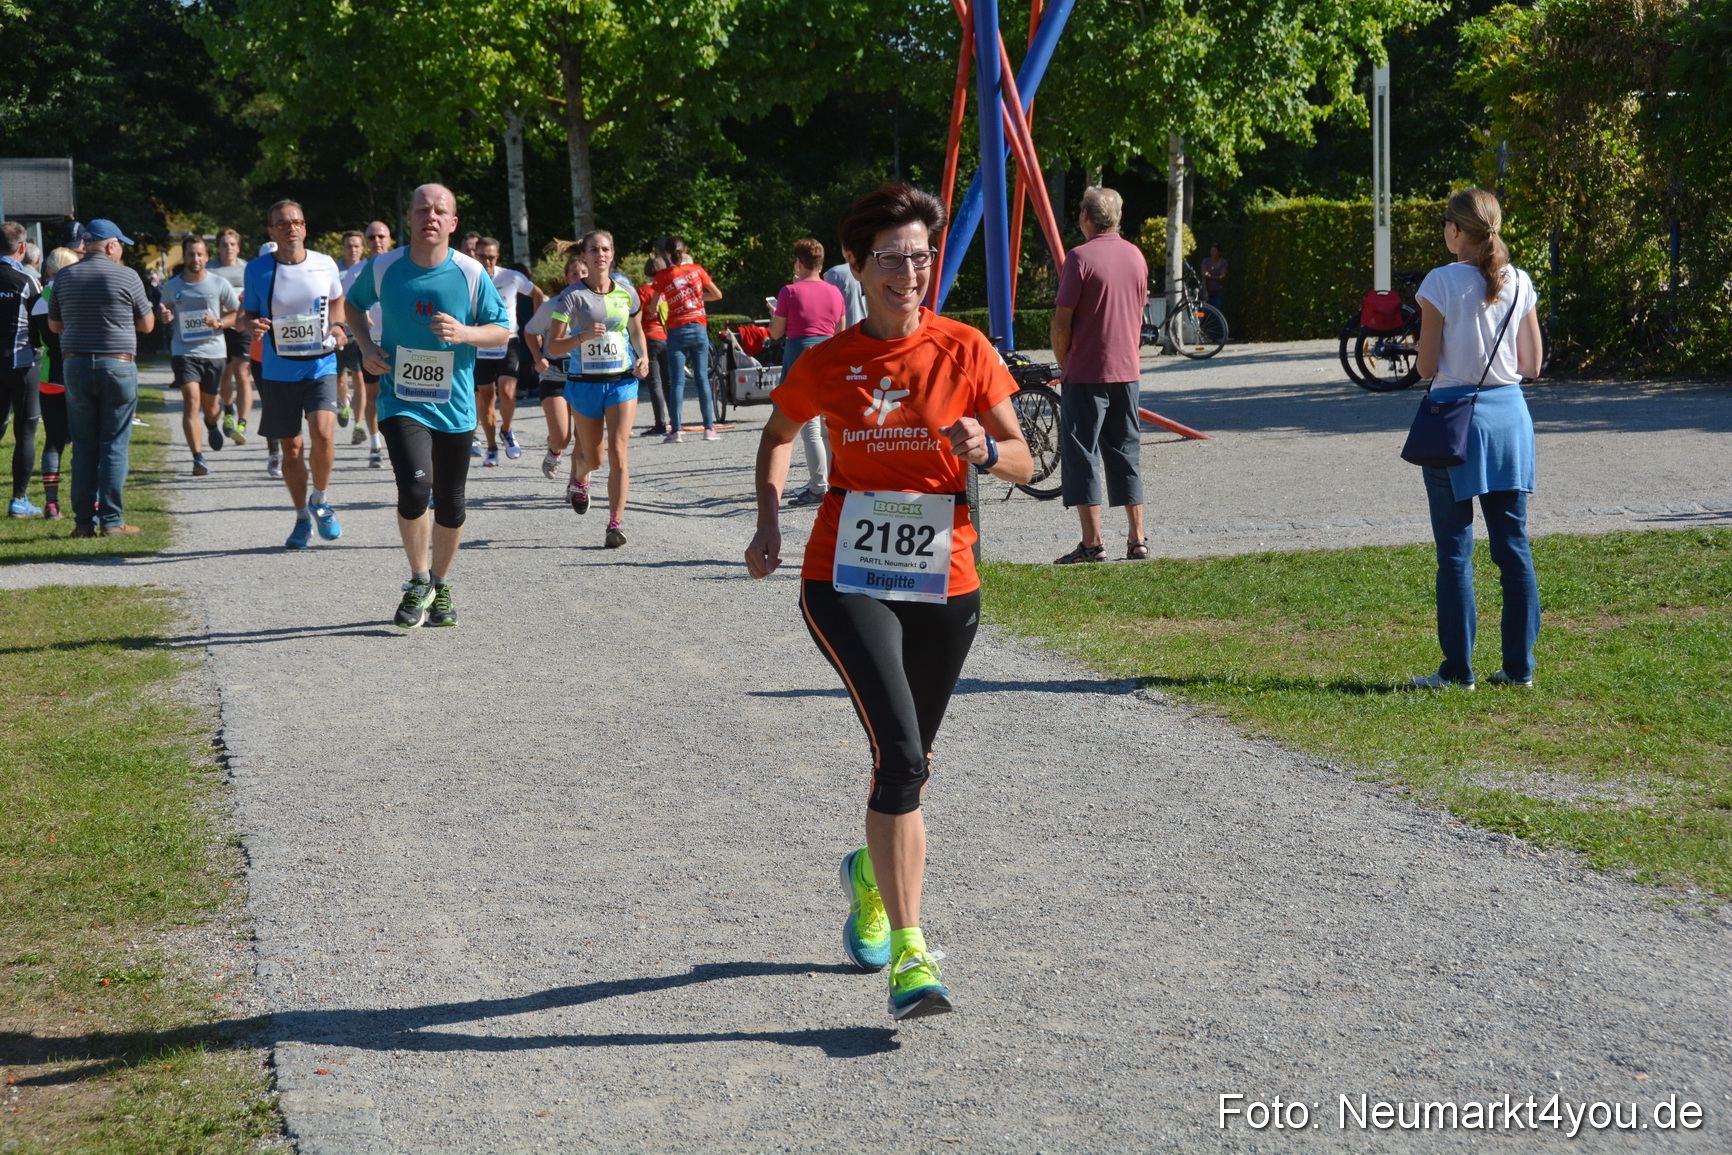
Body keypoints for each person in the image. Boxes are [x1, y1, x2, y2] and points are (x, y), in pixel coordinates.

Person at [744, 183, 1032, 1021]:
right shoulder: (826, 363)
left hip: (948, 578)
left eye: (920, 255)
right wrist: (768, 525)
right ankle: (913, 954)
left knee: (908, 764)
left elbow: (1020, 458)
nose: (910, 271)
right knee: (902, 758)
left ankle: (868, 873)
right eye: (892, 258)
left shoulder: (965, 348)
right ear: (858, 269)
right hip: (848, 575)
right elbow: (776, 439)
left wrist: (988, 446)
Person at [344, 183, 509, 628]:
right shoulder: (383, 267)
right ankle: (418, 579)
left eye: (440, 211)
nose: (430, 217)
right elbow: (352, 306)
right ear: (411, 220)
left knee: (452, 503)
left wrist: (466, 334)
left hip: (454, 405)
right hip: (401, 399)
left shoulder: (473, 273)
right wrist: (365, 345)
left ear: (452, 223)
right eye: (422, 210)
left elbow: (501, 330)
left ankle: (440, 582)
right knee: (417, 488)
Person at [1409, 187, 1544, 690]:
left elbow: (1426, 366)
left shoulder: (1440, 282)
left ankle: (1457, 671)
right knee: (1513, 546)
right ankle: (1518, 668)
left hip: (1455, 420)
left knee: (1455, 550)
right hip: (1510, 417)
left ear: (1455, 231)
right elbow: (1531, 365)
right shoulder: (1520, 281)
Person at [237, 200, 348, 549]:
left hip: (321, 363)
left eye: (297, 222)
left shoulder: (325, 264)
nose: (292, 228)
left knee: (324, 436)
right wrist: (250, 325)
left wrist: (340, 325)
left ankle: (321, 499)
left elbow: (337, 302)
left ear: (305, 227)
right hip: (279, 370)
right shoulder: (257, 269)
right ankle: (302, 516)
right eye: (283, 224)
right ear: (272, 232)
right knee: (292, 450)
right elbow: (243, 317)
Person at [1050, 186, 1150, 563]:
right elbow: (1137, 315)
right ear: (1119, 218)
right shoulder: (1136, 256)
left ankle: (1092, 544)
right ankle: (1137, 539)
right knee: (1127, 452)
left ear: (1085, 218)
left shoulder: (1078, 258)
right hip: (1127, 371)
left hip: (1086, 371)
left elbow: (1062, 322)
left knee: (1082, 453)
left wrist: (1065, 363)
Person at [44, 219, 154, 537]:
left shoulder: (63, 276)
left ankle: (82, 524)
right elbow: (147, 325)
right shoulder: (127, 276)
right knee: (114, 445)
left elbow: (54, 326)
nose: (121, 249)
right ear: (110, 246)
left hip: (75, 366)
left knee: (83, 445)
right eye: (120, 244)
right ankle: (112, 521)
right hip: (117, 366)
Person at [545, 230, 649, 548]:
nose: (600, 254)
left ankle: (614, 524)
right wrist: (582, 336)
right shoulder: (572, 297)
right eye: (594, 249)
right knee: (596, 459)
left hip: (621, 382)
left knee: (619, 452)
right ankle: (579, 474)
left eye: (605, 249)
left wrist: (643, 356)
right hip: (584, 385)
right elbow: (553, 345)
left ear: (612, 254)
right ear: (584, 256)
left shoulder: (627, 294)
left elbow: (636, 330)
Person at [770, 237, 846, 508]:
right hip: (829, 358)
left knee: (809, 428)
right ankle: (834, 481)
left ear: (799, 262)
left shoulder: (789, 292)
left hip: (800, 360)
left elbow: (776, 332)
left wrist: (775, 312)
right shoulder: (834, 292)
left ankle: (817, 486)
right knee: (829, 426)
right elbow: (841, 332)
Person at [157, 235, 241, 476]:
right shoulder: (173, 286)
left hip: (214, 352)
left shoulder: (218, 283)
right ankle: (198, 457)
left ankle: (213, 422)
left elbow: (238, 313)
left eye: (199, 254)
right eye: (190, 254)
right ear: (184, 257)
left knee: (210, 406)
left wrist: (219, 322)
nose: (195, 258)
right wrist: (164, 317)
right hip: (184, 352)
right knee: (191, 401)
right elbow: (164, 310)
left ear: (206, 257)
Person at [474, 236, 543, 466]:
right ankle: (492, 447)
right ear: (475, 254)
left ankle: (507, 429)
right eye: (483, 256)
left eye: (491, 256)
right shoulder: (468, 277)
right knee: (486, 398)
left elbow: (538, 295)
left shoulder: (511, 277)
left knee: (508, 392)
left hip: (508, 340)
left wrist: (536, 326)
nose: (487, 261)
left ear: (498, 256)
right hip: (480, 342)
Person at [648, 235, 722, 442]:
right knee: (701, 379)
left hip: (676, 331)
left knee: (677, 383)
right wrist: (697, 297)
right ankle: (709, 428)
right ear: (685, 249)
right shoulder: (697, 270)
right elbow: (717, 294)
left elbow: (654, 306)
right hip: (698, 327)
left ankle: (676, 431)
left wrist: (671, 300)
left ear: (665, 253)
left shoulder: (663, 275)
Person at [522, 251, 586, 480]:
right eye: (574, 274)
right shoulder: (553, 305)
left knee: (584, 439)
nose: (579, 278)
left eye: (583, 273)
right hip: (554, 374)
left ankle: (577, 484)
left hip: (586, 376)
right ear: (566, 278)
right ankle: (554, 449)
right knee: (561, 436)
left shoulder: (599, 305)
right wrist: (538, 357)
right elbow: (529, 332)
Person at [29, 247, 80, 519]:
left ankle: (51, 503)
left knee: (53, 442)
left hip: (49, 378)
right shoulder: (77, 296)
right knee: (84, 442)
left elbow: (35, 341)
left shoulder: (37, 301)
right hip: (78, 375)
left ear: (48, 269)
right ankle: (89, 502)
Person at [1, 222, 43, 517]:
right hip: (22, 365)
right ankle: (19, 501)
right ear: (22, 248)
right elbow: (41, 325)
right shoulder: (27, 282)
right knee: (25, 432)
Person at [209, 228, 253, 447]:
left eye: (232, 244)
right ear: (218, 248)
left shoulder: (248, 269)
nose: (228, 249)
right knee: (225, 376)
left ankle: (242, 423)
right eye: (224, 245)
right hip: (219, 328)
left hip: (242, 328)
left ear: (238, 247)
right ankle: (228, 409)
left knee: (243, 374)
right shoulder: (210, 270)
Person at [357, 221, 394, 467]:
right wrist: (361, 314)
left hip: (398, 341)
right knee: (373, 394)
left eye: (381, 236)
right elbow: (346, 306)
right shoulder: (357, 270)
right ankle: (374, 444)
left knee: (401, 394)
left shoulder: (400, 264)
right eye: (371, 237)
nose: (376, 241)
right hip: (371, 342)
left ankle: (399, 444)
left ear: (390, 239)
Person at [335, 229, 370, 438]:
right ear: (343, 248)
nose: (353, 249)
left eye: (356, 245)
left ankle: (358, 425)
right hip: (339, 332)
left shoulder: (367, 269)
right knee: (340, 380)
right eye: (349, 246)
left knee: (359, 378)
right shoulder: (334, 270)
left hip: (359, 333)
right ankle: (343, 402)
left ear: (362, 248)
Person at [636, 255, 671, 437]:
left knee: (655, 383)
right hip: (668, 338)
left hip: (649, 338)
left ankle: (660, 424)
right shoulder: (668, 290)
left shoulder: (642, 291)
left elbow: (637, 319)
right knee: (669, 382)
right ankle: (676, 422)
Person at [822, 259, 868, 328]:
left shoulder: (836, 273)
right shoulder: (874, 270)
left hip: (846, 333)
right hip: (868, 332)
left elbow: (824, 310)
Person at [1201, 243, 1227, 314]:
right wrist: (1205, 291)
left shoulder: (1223, 263)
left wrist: (1209, 276)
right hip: (1207, 289)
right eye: (1211, 251)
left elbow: (1222, 277)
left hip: (1218, 291)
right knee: (1205, 311)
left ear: (1219, 253)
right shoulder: (1205, 261)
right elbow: (1204, 277)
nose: (1212, 253)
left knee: (1217, 309)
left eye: (1214, 251)